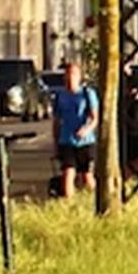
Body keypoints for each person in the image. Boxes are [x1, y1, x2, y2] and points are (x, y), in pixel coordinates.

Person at [51, 62, 99, 198]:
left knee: (87, 176)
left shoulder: (87, 94)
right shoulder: (60, 96)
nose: (69, 77)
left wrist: (86, 129)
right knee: (68, 174)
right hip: (66, 141)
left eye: (73, 74)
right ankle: (69, 206)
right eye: (67, 74)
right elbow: (56, 121)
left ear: (79, 77)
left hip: (85, 142)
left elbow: (94, 117)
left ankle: (95, 200)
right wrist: (55, 143)